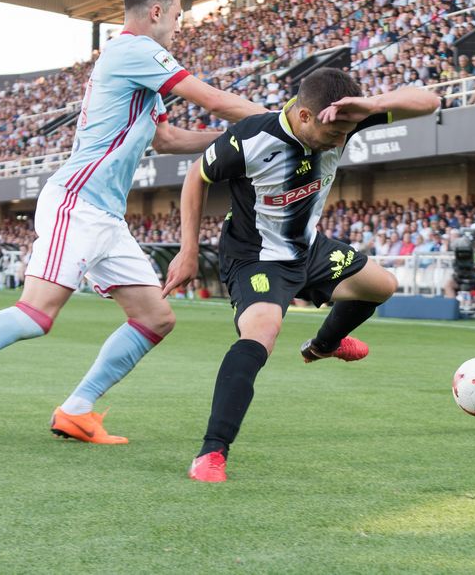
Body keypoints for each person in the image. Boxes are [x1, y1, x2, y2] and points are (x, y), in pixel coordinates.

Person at [0, 0, 266, 451]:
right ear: (157, 11)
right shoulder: (136, 49)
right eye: (179, 14)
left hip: (105, 216)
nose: (180, 25)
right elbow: (209, 98)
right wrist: (279, 122)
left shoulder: (137, 63)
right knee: (35, 314)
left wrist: (236, 142)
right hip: (76, 203)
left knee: (155, 318)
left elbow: (166, 138)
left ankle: (77, 411)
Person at [163, 68, 439, 482]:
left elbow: (431, 101)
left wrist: (375, 105)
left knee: (382, 285)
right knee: (262, 332)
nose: (340, 141)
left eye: (347, 132)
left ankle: (325, 345)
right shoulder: (252, 137)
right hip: (256, 256)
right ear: (306, 117)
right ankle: (212, 452)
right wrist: (187, 251)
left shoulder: (345, 119)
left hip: (308, 248)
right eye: (334, 135)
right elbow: (196, 177)